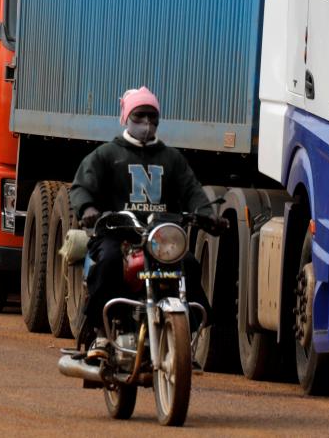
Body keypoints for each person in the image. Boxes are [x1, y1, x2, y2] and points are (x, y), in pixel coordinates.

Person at [69, 87, 221, 359]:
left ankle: (188, 326)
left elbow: (192, 191)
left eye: (153, 118)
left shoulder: (172, 158)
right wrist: (88, 208)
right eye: (140, 116)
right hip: (117, 235)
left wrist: (208, 215)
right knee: (108, 263)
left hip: (160, 239)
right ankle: (100, 334)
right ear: (126, 117)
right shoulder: (106, 154)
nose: (147, 124)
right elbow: (81, 187)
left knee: (188, 264)